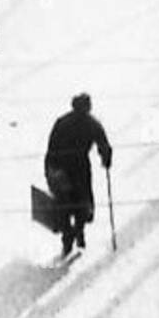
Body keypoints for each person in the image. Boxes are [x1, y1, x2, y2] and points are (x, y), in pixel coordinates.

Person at [45, 92, 113, 256]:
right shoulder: (92, 123)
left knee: (65, 203)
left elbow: (51, 148)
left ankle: (68, 235)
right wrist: (106, 159)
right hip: (79, 168)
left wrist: (50, 170)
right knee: (82, 202)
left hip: (61, 167)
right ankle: (78, 231)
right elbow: (103, 144)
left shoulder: (62, 122)